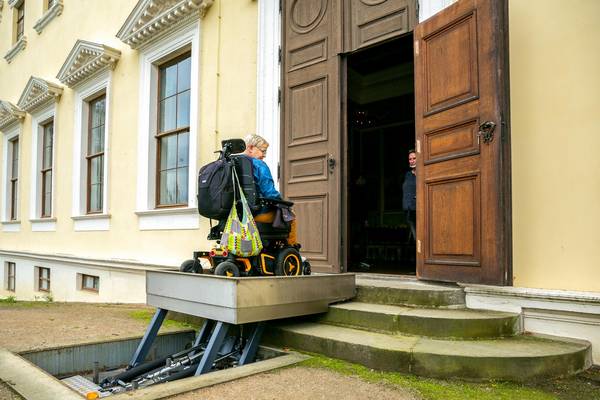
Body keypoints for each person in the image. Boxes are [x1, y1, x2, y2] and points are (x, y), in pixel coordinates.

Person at [242, 134, 297, 245]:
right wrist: (283, 203)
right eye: (263, 151)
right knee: (291, 217)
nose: (264, 155)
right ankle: (291, 250)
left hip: (234, 216)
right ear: (251, 148)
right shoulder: (258, 165)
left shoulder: (231, 164)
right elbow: (270, 193)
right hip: (256, 214)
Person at [402, 149, 417, 242]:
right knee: (415, 238)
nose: (411, 161)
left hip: (418, 209)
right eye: (410, 159)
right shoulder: (407, 174)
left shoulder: (422, 173)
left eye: (414, 158)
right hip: (408, 210)